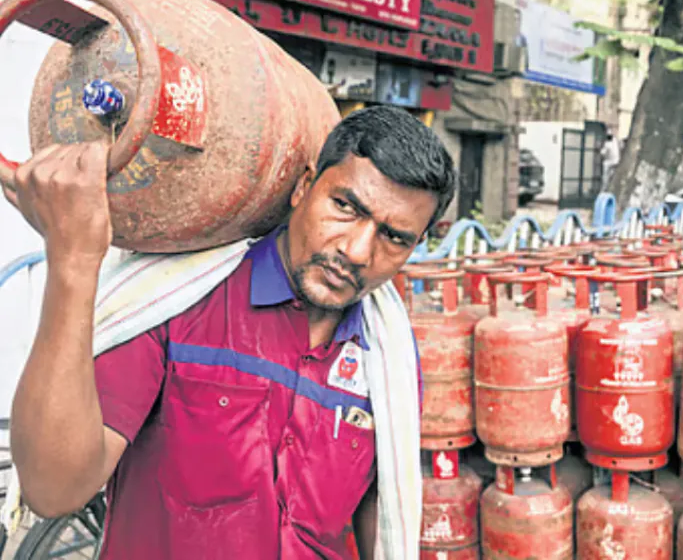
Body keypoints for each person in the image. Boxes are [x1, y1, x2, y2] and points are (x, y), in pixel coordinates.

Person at [0, 105, 456, 559]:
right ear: (304, 186)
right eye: (345, 207)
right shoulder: (178, 301)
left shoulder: (386, 355)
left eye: (395, 237)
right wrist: (73, 261)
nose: (357, 251)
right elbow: (53, 488)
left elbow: (381, 519)